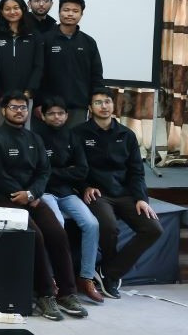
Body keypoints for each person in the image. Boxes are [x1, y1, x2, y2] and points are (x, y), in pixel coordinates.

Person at [0, 92, 85, 320]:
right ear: (4, 110)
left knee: (58, 233)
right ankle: (45, 294)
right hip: (3, 200)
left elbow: (44, 171)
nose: (19, 111)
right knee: (35, 235)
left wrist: (32, 193)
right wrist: (21, 194)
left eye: (23, 107)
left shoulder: (34, 138)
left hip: (31, 197)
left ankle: (67, 293)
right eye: (14, 107)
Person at [75, 88, 163, 299]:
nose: (104, 106)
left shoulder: (127, 134)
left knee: (153, 228)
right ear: (90, 108)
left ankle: (109, 272)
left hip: (124, 193)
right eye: (98, 103)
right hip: (97, 193)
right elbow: (75, 167)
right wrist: (85, 186)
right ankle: (110, 278)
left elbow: (136, 171)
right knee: (109, 226)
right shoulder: (78, 133)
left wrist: (141, 198)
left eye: (107, 101)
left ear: (113, 105)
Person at [34, 97, 105, 303]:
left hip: (67, 192)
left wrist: (55, 173)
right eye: (51, 113)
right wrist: (66, 171)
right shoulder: (36, 137)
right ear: (43, 116)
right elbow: (39, 172)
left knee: (92, 224)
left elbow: (82, 170)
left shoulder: (73, 136)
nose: (56, 117)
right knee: (57, 224)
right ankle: (52, 277)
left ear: (67, 115)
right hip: (45, 192)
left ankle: (86, 277)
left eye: (60, 113)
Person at [40, 0, 103, 124]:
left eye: (75, 11)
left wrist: (95, 102)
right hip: (49, 106)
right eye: (66, 10)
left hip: (78, 106)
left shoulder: (88, 42)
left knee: (76, 137)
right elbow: (38, 72)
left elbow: (96, 76)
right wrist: (38, 103)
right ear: (59, 12)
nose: (70, 14)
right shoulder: (45, 39)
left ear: (81, 14)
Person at [0, 0, 45, 124]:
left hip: (25, 97)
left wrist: (28, 92)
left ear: (23, 9)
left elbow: (39, 66)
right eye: (7, 9)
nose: (12, 12)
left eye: (16, 8)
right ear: (1, 11)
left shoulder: (34, 35)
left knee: (23, 131)